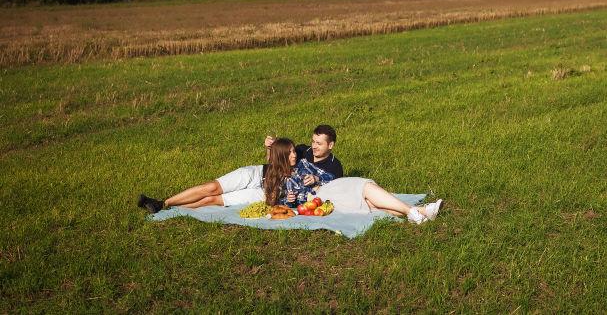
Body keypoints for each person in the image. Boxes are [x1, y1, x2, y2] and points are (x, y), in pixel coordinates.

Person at [136, 124, 342, 213]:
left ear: (330, 146)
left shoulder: (335, 167)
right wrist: (269, 148)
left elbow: (332, 188)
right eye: (313, 141)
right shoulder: (302, 151)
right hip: (257, 175)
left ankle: (168, 208)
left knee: (213, 200)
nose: (313, 147)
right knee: (211, 188)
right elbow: (277, 159)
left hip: (265, 193)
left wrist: (315, 181)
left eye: (319, 144)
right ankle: (163, 202)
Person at [264, 139, 443, 225]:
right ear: (281, 156)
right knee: (369, 202)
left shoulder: (303, 163)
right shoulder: (278, 179)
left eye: (294, 151)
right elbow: (277, 205)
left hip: (330, 187)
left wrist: (317, 178)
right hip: (321, 198)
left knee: (365, 190)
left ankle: (418, 212)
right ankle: (419, 211)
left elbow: (329, 176)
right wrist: (289, 200)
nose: (294, 155)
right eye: (289, 153)